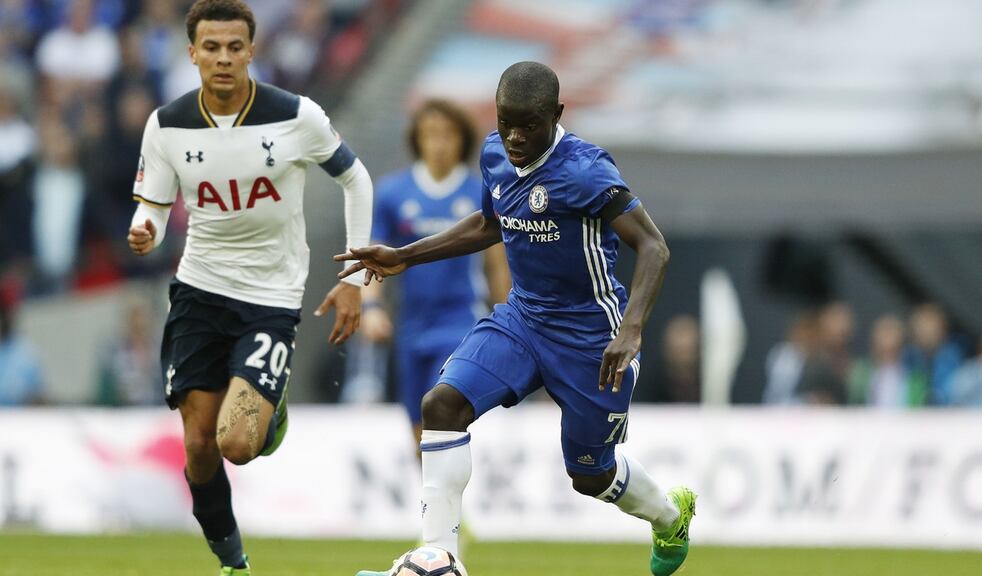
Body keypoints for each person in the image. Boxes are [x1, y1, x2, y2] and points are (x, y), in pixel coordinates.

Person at [340, 61, 695, 576]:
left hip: (590, 337)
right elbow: (490, 223)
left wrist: (630, 330)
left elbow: (654, 246)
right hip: (523, 320)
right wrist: (405, 255)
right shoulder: (493, 153)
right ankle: (437, 559)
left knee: (589, 475)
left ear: (557, 114)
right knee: (441, 405)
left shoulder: (586, 171)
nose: (515, 137)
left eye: (528, 124)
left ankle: (668, 516)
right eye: (506, 122)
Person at [126, 1, 372, 574]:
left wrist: (357, 276)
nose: (223, 58)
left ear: (251, 50)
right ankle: (232, 560)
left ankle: (272, 407)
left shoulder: (296, 115)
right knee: (199, 447)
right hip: (199, 290)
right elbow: (155, 207)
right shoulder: (167, 124)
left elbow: (355, 180)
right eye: (211, 47)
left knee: (237, 442)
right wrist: (146, 229)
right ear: (192, 53)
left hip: (271, 296)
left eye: (235, 47)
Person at [361, 98, 510, 449]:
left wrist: (509, 323)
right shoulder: (393, 192)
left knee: (440, 410)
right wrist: (371, 309)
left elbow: (496, 266)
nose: (439, 144)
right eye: (431, 135)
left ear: (462, 140)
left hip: (460, 322)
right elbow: (373, 257)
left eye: (448, 135)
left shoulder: (479, 192)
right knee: (416, 430)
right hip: (411, 325)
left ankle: (449, 501)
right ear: (417, 139)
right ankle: (435, 501)